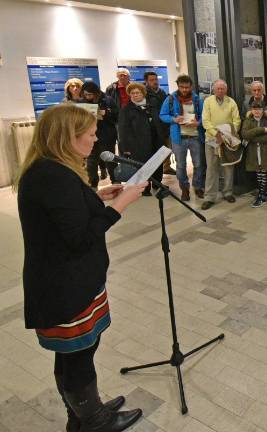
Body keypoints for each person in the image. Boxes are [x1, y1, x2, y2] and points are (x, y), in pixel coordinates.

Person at [15, 104, 146, 432]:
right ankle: (94, 421)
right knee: (77, 358)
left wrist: (97, 196)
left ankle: (85, 412)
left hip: (71, 281)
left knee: (77, 354)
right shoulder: (51, 176)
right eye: (88, 133)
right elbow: (79, 236)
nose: (95, 137)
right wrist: (120, 205)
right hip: (65, 286)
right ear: (66, 137)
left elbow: (67, 213)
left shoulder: (52, 169)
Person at [159, 74, 206, 201]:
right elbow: (162, 115)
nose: (184, 90)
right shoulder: (170, 99)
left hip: (195, 137)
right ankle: (184, 189)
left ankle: (197, 187)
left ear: (191, 86)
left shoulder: (197, 100)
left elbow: (204, 116)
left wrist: (198, 123)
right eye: (182, 87)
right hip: (179, 138)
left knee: (198, 164)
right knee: (180, 166)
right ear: (178, 86)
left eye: (187, 87)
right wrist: (174, 119)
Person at [117, 83, 164, 196]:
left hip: (155, 140)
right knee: (142, 166)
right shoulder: (126, 110)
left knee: (157, 163)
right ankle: (145, 188)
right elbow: (123, 130)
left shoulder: (152, 105)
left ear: (143, 93)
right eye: (132, 93)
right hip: (138, 144)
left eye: (138, 92)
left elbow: (160, 121)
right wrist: (125, 148)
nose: (135, 95)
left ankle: (157, 184)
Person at [201, 79, 241, 209]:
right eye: (218, 88)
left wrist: (226, 134)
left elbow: (237, 121)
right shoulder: (208, 101)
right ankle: (209, 197)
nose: (220, 91)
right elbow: (205, 121)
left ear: (226, 90)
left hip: (227, 139)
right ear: (213, 89)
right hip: (212, 139)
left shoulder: (231, 102)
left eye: (223, 88)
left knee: (228, 166)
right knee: (212, 168)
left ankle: (228, 192)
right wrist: (216, 133)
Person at [81, 81, 119, 187]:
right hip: (89, 135)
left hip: (106, 135)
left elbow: (116, 116)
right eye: (86, 94)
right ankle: (93, 184)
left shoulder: (107, 100)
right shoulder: (82, 102)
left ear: (96, 93)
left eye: (90, 94)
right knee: (91, 162)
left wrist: (106, 113)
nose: (88, 96)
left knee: (110, 160)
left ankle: (115, 181)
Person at [240, 100, 267, 207]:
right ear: (251, 110)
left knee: (263, 172)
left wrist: (253, 137)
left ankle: (262, 195)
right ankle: (264, 194)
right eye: (254, 109)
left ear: (263, 110)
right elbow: (245, 134)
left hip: (265, 152)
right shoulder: (248, 121)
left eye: (259, 109)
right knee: (259, 173)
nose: (257, 111)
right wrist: (261, 129)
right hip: (253, 152)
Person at [143, 71, 174, 176]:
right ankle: (155, 174)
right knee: (156, 152)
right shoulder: (144, 94)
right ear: (146, 82)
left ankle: (166, 167)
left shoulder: (161, 92)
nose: (155, 82)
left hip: (165, 125)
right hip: (153, 128)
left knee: (167, 148)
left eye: (156, 79)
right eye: (152, 80)